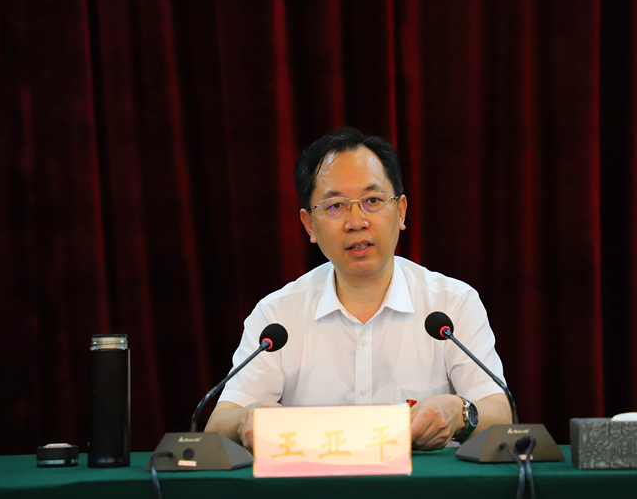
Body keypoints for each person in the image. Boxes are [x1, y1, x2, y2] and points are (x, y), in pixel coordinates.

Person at [205, 127, 512, 451]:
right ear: (309, 225)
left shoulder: (452, 304)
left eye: (373, 201)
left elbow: (501, 413)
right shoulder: (278, 315)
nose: (356, 221)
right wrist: (249, 417)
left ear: (401, 211)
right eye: (335, 206)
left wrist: (460, 413)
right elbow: (216, 427)